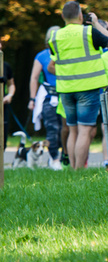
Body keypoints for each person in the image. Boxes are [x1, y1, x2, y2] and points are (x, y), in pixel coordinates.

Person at [47, 1, 108, 169]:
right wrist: (96, 22)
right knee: (84, 130)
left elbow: (55, 61)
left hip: (66, 90)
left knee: (72, 129)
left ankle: (72, 168)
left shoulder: (54, 37)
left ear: (62, 16)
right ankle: (77, 171)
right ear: (81, 16)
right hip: (87, 88)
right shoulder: (89, 32)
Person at [27, 27, 64, 169]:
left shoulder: (67, 54)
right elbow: (34, 78)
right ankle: (54, 159)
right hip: (49, 97)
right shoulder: (41, 56)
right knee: (52, 128)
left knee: (65, 129)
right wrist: (32, 99)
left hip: (66, 94)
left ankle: (63, 157)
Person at [1, 41, 15, 151]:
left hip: (3, 104)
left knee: (3, 133)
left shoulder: (6, 66)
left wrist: (9, 95)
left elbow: (11, 85)